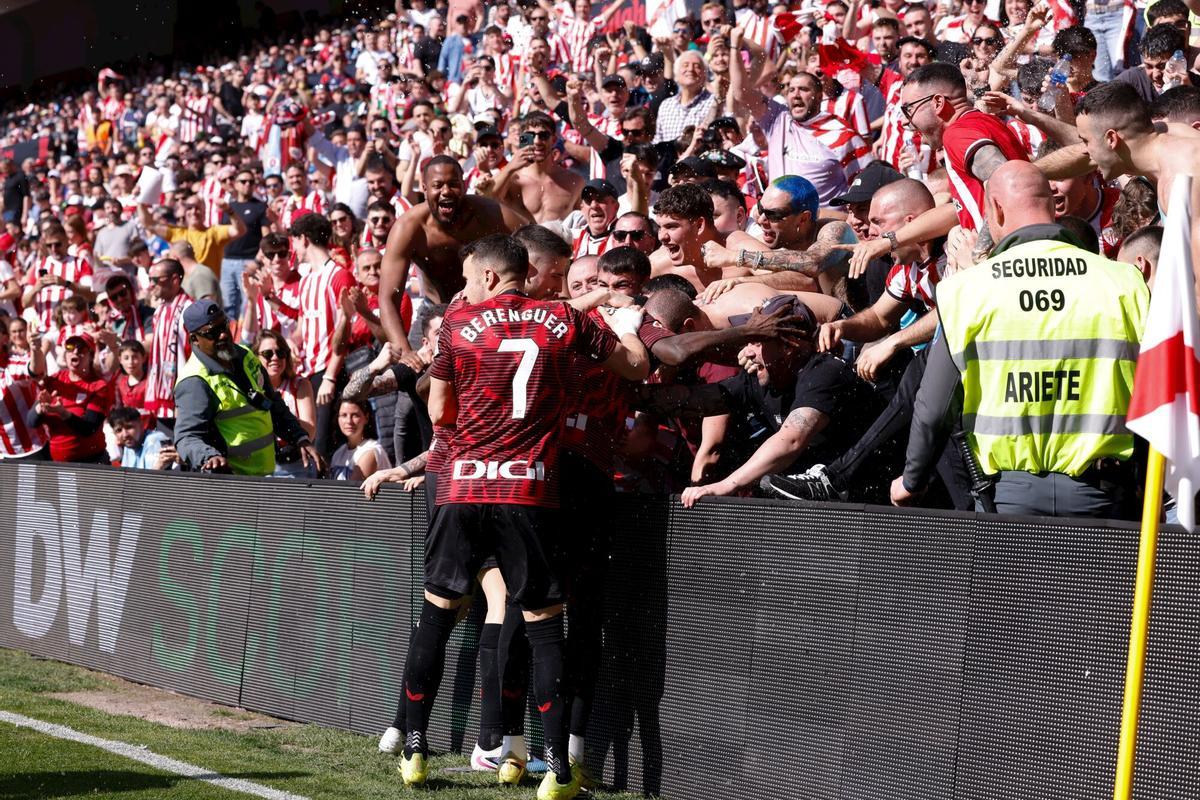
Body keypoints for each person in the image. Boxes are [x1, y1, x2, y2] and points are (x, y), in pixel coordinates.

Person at [395, 234, 649, 799]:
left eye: (467, 276)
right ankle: (556, 768)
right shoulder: (564, 318)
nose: (464, 286)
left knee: (438, 612)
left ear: (488, 278)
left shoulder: (458, 325)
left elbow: (438, 408)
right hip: (530, 489)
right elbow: (634, 367)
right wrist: (629, 323)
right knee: (544, 625)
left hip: (462, 487)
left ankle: (413, 749)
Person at [894, 162, 1148, 517]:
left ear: (995, 208)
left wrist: (911, 480)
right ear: (1052, 203)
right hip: (1108, 493)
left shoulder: (965, 291)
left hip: (1012, 495)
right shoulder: (1125, 282)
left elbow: (934, 408)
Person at [848, 62, 1029, 272]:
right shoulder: (980, 123)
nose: (906, 123)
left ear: (938, 103)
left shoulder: (958, 133)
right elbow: (959, 208)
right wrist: (888, 241)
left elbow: (1009, 185)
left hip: (1010, 263)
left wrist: (978, 257)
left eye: (909, 110)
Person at [1035, 80, 1200, 292]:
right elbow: (1083, 158)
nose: (1084, 151)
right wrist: (1024, 173)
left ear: (1111, 138)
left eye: (1086, 141)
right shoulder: (1167, 133)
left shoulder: (1179, 179)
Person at [380, 156, 528, 359]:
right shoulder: (409, 228)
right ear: (424, 189)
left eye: (453, 184)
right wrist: (405, 352)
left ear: (464, 185)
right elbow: (388, 297)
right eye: (438, 185)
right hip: (434, 312)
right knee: (410, 378)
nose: (446, 191)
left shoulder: (487, 213)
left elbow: (535, 243)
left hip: (484, 308)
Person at [173, 300, 322, 476]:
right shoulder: (194, 381)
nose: (222, 335)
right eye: (212, 332)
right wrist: (208, 457)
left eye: (224, 325)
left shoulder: (246, 355)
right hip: (233, 484)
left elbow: (272, 404)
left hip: (268, 475)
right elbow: (186, 437)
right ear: (195, 339)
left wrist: (299, 437)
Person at [30, 332, 114, 464]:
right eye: (70, 347)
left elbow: (89, 428)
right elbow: (31, 422)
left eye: (82, 349)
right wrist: (40, 408)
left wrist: (62, 413)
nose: (75, 351)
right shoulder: (55, 380)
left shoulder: (98, 386)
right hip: (60, 463)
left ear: (91, 356)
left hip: (91, 462)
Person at [139, 193, 246, 275]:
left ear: (204, 212)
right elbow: (148, 224)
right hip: (184, 295)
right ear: (185, 212)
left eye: (198, 208)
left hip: (207, 293)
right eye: (190, 208)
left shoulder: (214, 233)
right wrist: (141, 201)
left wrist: (229, 210)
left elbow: (240, 230)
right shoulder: (176, 233)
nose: (194, 211)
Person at [143, 258, 192, 424]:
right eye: (150, 279)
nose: (151, 285)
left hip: (185, 397)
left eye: (156, 280)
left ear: (175, 279)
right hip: (162, 397)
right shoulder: (159, 311)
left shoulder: (190, 310)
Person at [221, 167, 271, 320]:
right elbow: (223, 235)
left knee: (248, 305)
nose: (247, 184)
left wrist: (257, 261)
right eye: (243, 181)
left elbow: (266, 238)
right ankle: (230, 341)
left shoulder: (260, 207)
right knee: (228, 306)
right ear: (235, 184)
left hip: (249, 261)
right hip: (227, 262)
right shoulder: (229, 208)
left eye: (251, 181)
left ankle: (245, 342)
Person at [328, 397, 391, 479]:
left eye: (355, 415)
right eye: (344, 415)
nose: (349, 421)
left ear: (366, 418)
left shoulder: (370, 452)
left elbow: (352, 490)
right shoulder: (338, 453)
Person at [109, 406, 178, 470]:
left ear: (141, 424)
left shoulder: (154, 440)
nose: (125, 435)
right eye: (119, 430)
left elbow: (151, 480)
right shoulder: (130, 443)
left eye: (129, 427)